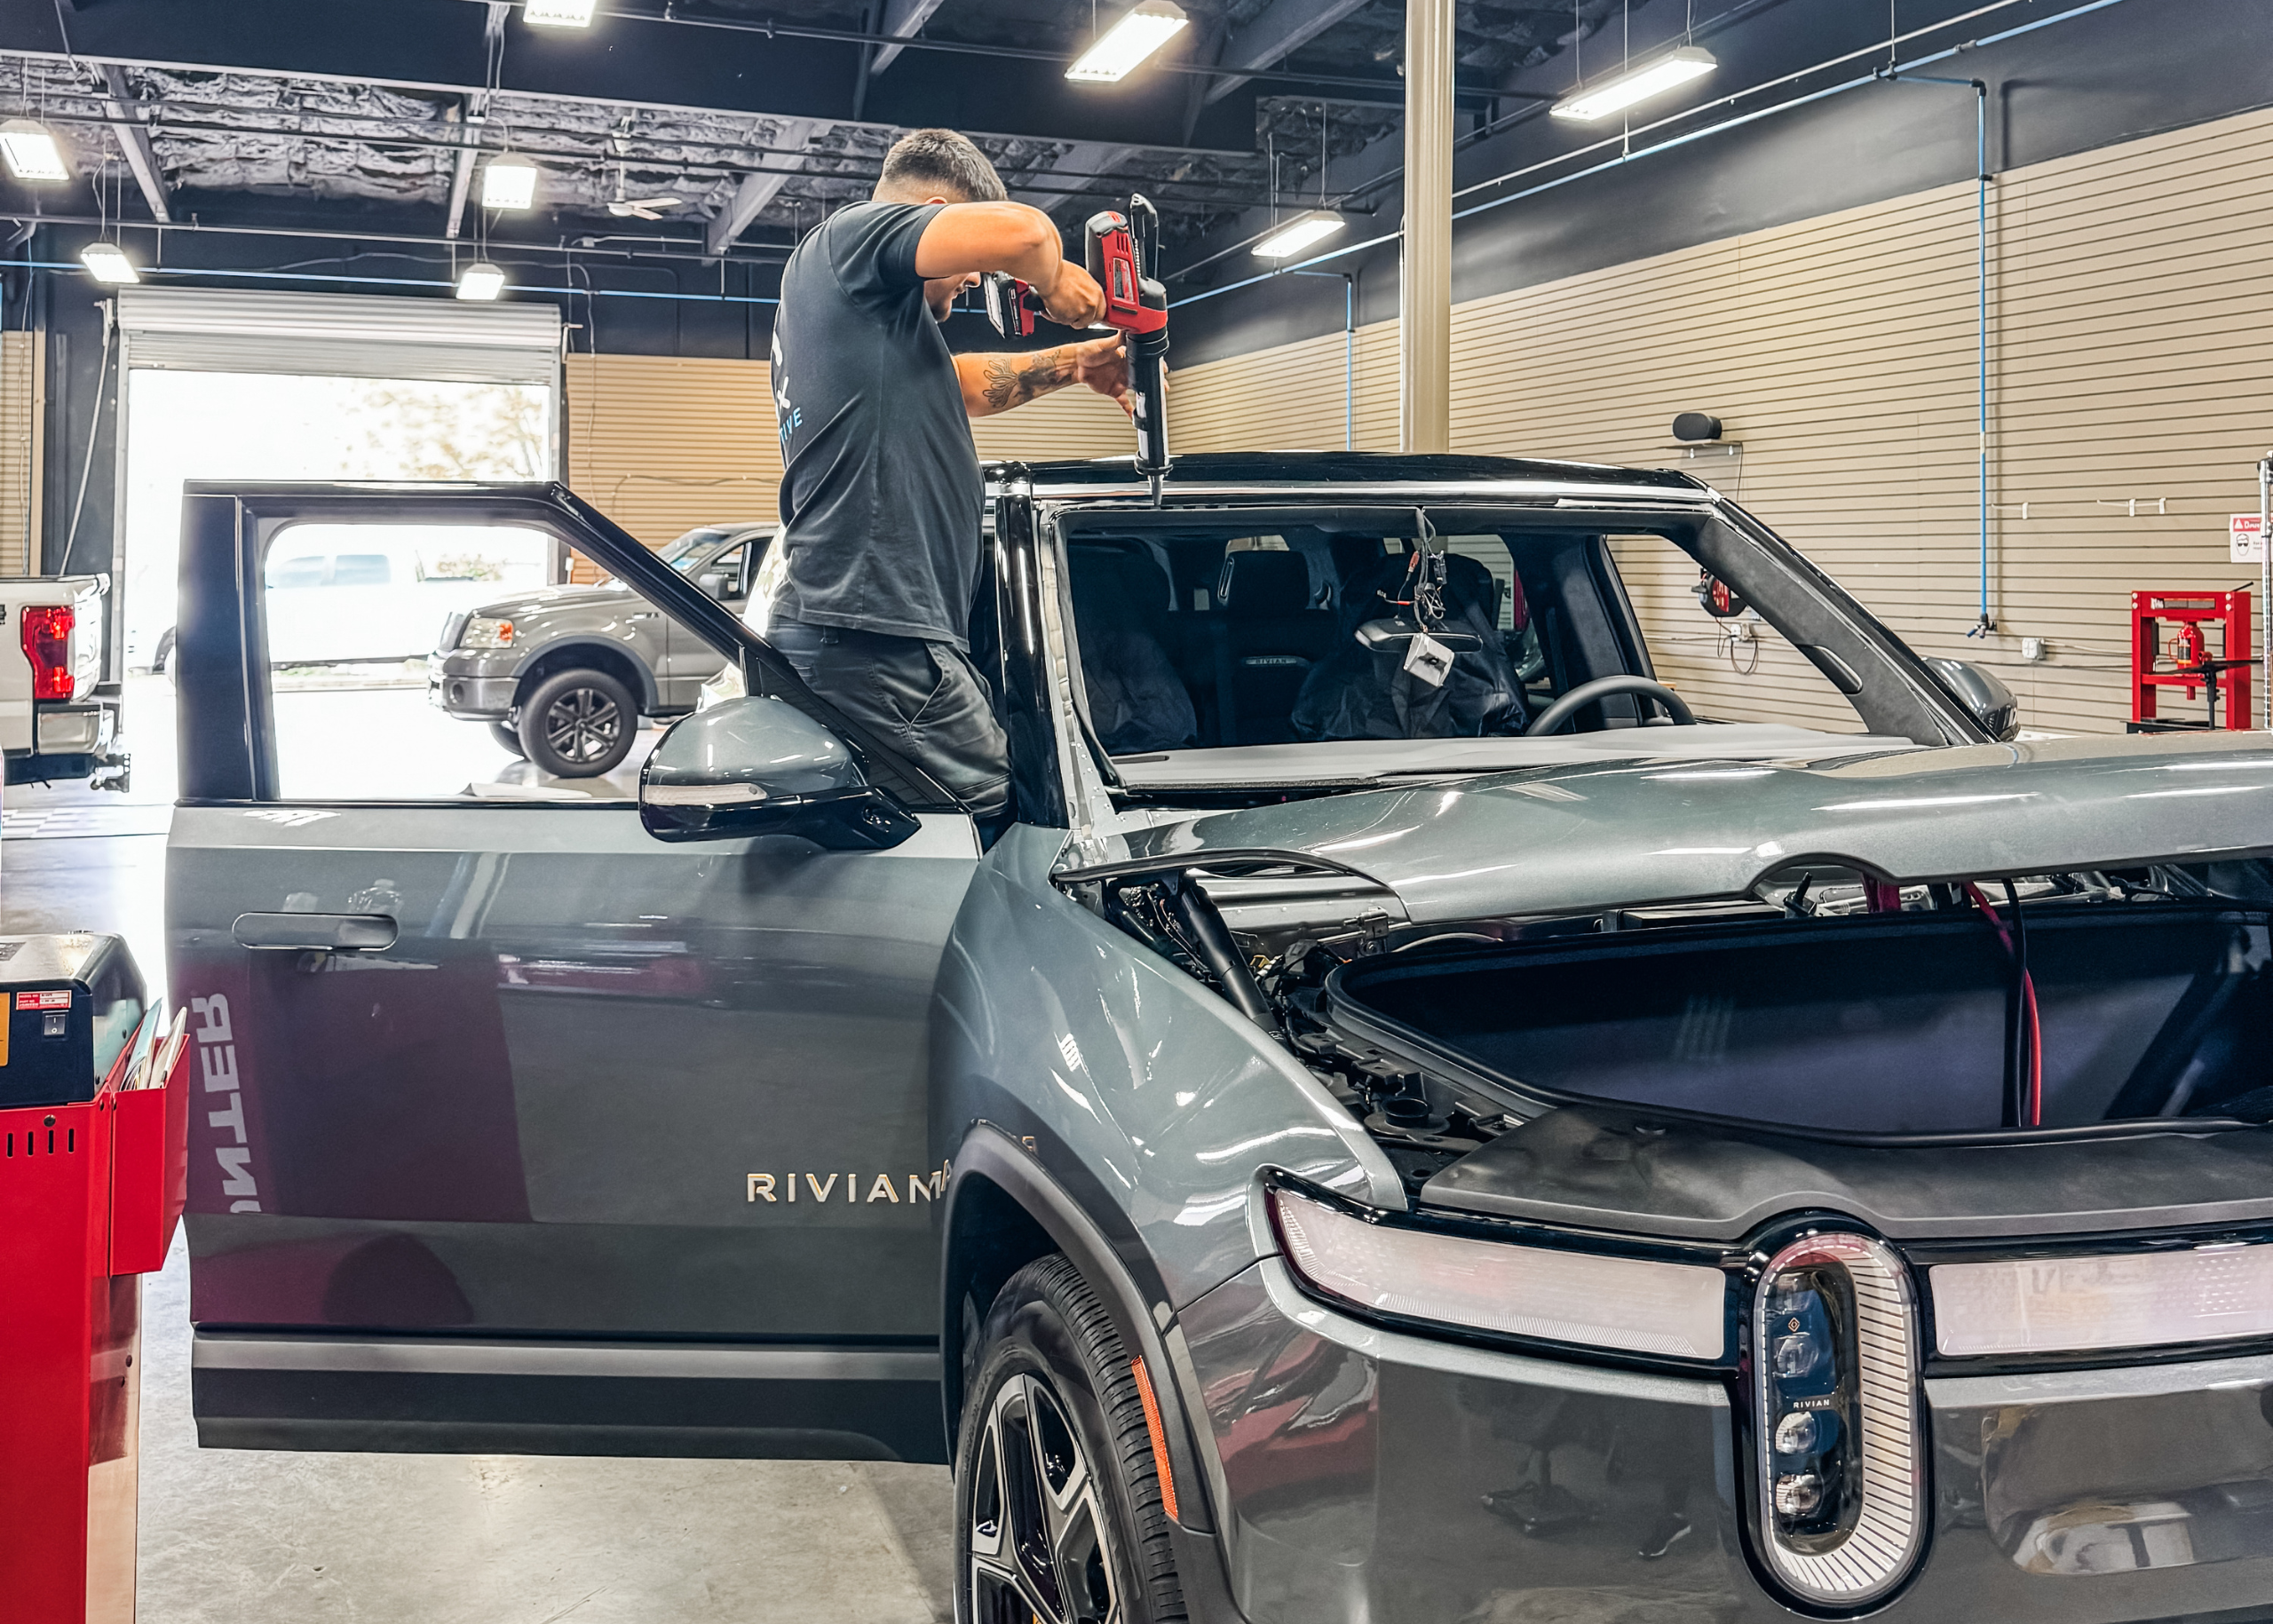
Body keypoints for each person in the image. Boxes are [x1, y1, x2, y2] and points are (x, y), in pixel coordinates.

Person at [758, 127, 1131, 823]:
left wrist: (1079, 363)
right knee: (1016, 826)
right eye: (968, 272)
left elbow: (962, 385)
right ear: (932, 212)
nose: (965, 291)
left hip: (867, 635)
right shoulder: (848, 241)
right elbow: (1025, 236)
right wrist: (1054, 283)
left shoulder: (857, 309)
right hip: (875, 641)